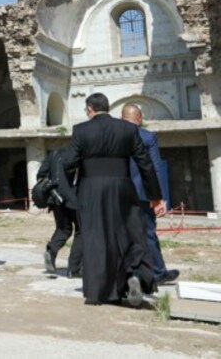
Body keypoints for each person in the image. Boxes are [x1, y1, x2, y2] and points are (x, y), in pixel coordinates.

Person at [66, 93, 166, 307]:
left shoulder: (81, 130)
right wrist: (155, 196)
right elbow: (145, 164)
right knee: (129, 234)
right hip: (123, 186)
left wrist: (69, 193)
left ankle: (98, 292)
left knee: (96, 237)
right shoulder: (128, 129)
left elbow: (69, 163)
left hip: (91, 189)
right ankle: (133, 275)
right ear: (107, 107)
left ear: (90, 109)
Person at [121, 103, 180, 286]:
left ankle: (126, 272)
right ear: (139, 118)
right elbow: (155, 167)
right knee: (148, 233)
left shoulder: (113, 136)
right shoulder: (147, 136)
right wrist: (161, 197)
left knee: (122, 233)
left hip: (118, 193)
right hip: (143, 194)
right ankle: (158, 272)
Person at [37, 147, 83, 278]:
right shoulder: (78, 154)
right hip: (74, 198)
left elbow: (40, 175)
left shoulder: (54, 154)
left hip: (55, 197)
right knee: (82, 231)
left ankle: (51, 252)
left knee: (63, 229)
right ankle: (74, 268)